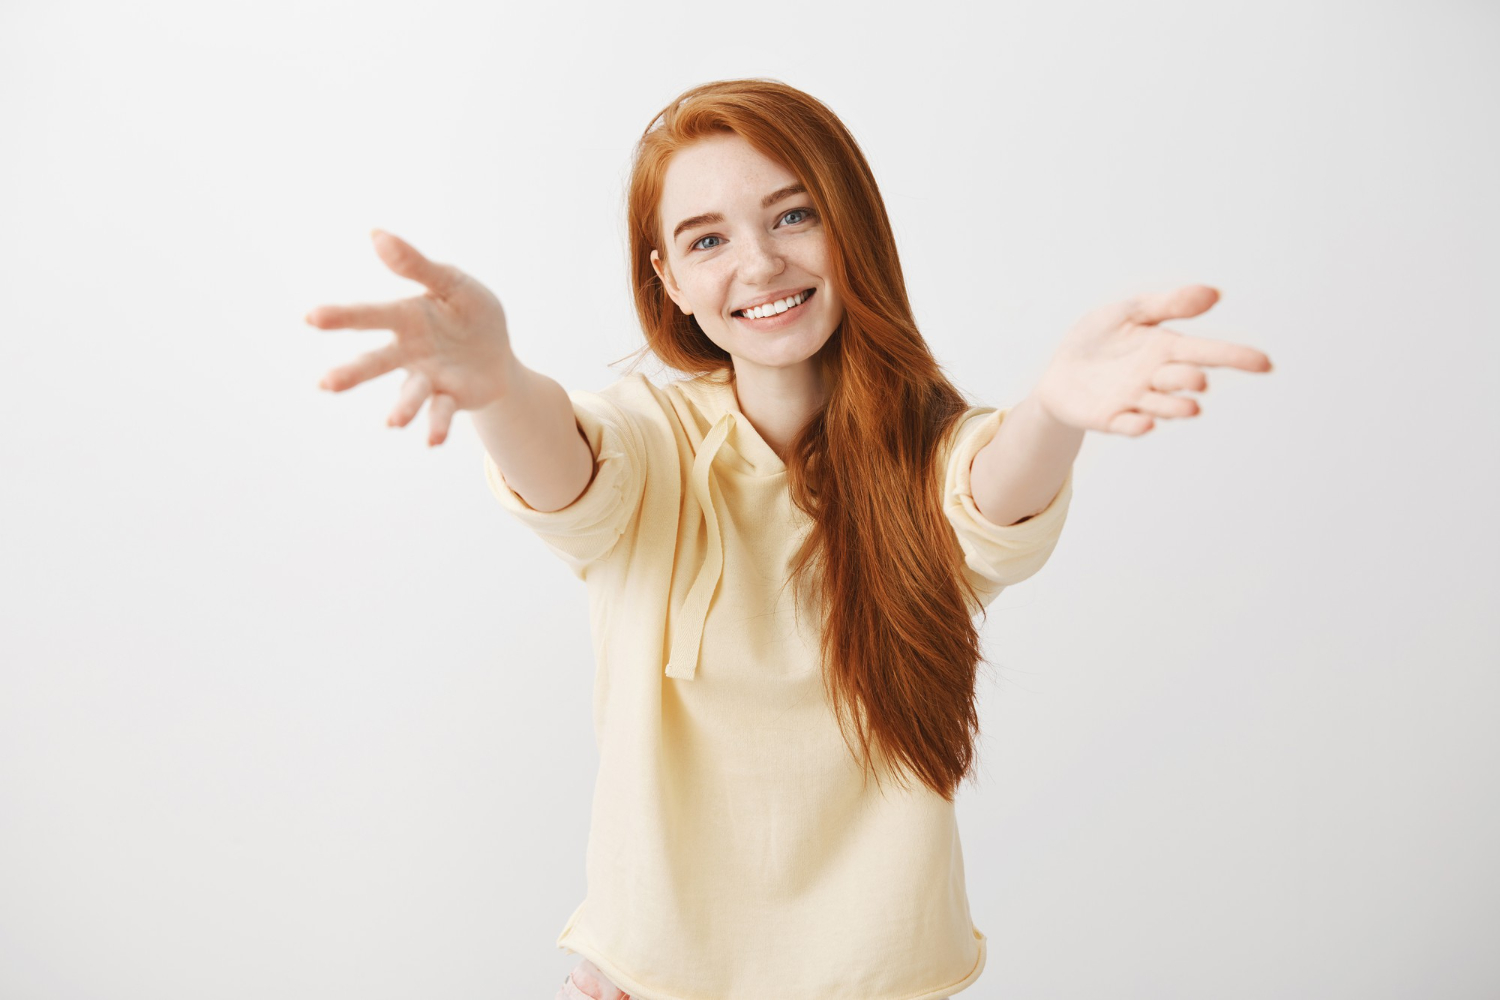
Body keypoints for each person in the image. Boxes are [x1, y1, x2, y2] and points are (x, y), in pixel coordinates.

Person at [306, 78, 1273, 1000]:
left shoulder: (924, 452)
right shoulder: (655, 439)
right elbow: (574, 471)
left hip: (881, 980)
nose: (760, 264)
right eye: (707, 238)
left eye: (793, 215)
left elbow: (985, 493)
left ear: (850, 226)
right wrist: (501, 382)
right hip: (657, 976)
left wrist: (1055, 411)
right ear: (670, 280)